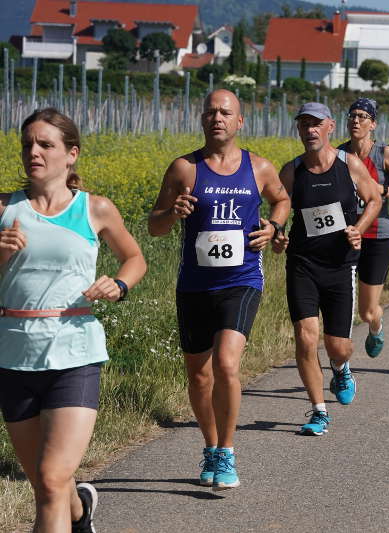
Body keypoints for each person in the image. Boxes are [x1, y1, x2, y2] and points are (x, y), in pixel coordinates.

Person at [0, 108, 146, 531]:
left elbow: (134, 258)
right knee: (47, 486)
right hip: (14, 355)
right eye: (28, 144)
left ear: (71, 154)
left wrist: (119, 284)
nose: (34, 151)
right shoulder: (4, 209)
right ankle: (80, 512)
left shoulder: (94, 208)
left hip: (74, 353)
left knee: (49, 480)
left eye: (45, 144)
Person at [149, 89, 290, 489]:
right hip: (194, 285)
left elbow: (281, 200)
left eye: (225, 113)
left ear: (240, 121)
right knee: (199, 376)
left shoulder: (259, 167)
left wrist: (274, 226)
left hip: (241, 280)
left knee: (227, 363)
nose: (217, 118)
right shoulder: (184, 168)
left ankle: (227, 452)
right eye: (210, 112)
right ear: (201, 119)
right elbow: (154, 226)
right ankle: (210, 446)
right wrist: (172, 213)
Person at [279, 102, 381, 436]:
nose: (310, 130)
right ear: (298, 129)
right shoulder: (291, 171)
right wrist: (277, 235)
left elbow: (374, 199)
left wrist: (359, 227)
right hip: (303, 264)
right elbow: (278, 211)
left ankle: (341, 368)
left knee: (338, 346)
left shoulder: (349, 165)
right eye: (304, 124)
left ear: (330, 127)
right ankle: (319, 410)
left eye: (316, 124)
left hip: (340, 267)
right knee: (306, 338)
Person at [338, 98, 389, 357]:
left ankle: (375, 326)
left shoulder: (384, 153)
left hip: (378, 236)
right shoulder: (339, 154)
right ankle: (340, 355)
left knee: (367, 311)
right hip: (348, 236)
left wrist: (380, 189)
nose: (355, 120)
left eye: (362, 116)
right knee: (343, 305)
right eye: (352, 115)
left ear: (373, 124)